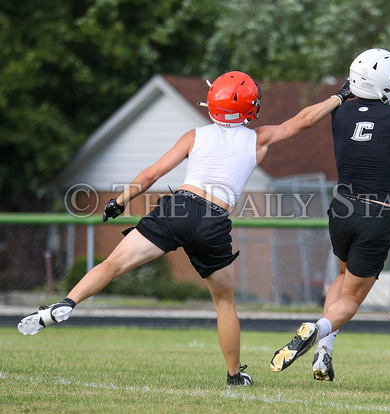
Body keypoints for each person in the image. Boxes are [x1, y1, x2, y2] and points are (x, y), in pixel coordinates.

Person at [18, 70, 352, 387]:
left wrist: (119, 201)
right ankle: (235, 376)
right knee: (224, 303)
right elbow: (304, 120)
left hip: (177, 208)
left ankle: (67, 302)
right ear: (248, 107)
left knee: (112, 265)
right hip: (213, 221)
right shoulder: (257, 139)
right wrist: (340, 96)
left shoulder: (195, 135)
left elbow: (151, 174)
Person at [270, 49, 390, 381]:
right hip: (378, 216)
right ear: (386, 86)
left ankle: (324, 352)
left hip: (342, 211)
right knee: (352, 300)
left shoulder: (340, 114)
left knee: (342, 278)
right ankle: (318, 328)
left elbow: (381, 116)